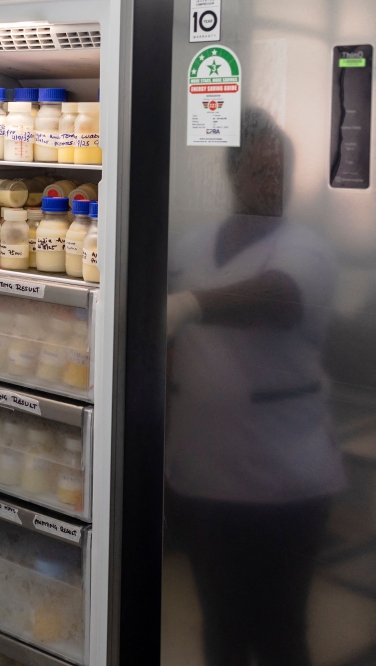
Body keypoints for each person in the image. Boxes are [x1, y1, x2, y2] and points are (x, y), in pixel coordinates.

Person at [164, 108, 343, 666]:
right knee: (222, 629)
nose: (276, 186)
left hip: (284, 486)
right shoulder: (191, 245)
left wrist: (190, 305)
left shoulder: (306, 248)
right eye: (263, 171)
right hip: (200, 478)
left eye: (282, 172)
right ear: (234, 174)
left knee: (280, 633)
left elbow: (280, 298)